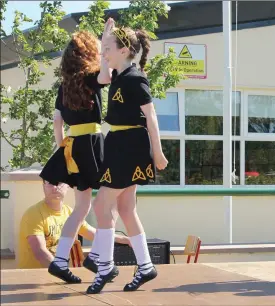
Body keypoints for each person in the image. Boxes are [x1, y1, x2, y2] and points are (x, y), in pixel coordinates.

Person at [86, 20, 168, 294]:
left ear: (124, 51)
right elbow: (101, 77)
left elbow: (151, 115)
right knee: (125, 209)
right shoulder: (117, 76)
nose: (104, 52)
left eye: (108, 48)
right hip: (119, 143)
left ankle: (105, 264)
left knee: (101, 206)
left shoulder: (135, 78)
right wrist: (105, 39)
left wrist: (157, 151)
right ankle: (145, 266)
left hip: (129, 145)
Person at [39, 29, 112, 283]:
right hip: (93, 143)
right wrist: (106, 46)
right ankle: (101, 260)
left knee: (81, 208)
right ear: (89, 54)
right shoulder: (91, 78)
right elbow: (107, 75)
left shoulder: (64, 86)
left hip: (74, 145)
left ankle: (60, 261)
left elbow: (57, 123)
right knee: (107, 205)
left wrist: (65, 151)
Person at [18, 180, 129, 271]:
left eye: (60, 183)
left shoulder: (70, 213)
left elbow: (93, 234)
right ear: (44, 186)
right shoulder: (33, 214)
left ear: (68, 186)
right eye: (51, 183)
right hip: (33, 278)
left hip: (56, 275)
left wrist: (127, 240)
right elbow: (40, 252)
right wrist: (61, 272)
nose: (55, 187)